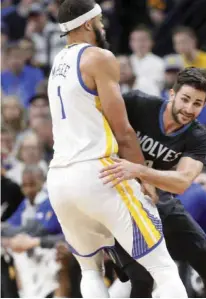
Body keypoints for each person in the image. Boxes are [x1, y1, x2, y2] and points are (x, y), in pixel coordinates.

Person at [46, 0, 187, 297]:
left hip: (59, 178)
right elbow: (122, 130)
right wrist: (144, 178)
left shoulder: (58, 63)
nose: (104, 25)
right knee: (163, 266)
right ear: (87, 23)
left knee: (90, 270)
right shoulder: (99, 57)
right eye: (99, 20)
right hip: (97, 171)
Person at [99, 68, 206, 297]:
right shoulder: (137, 103)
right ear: (172, 94)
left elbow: (181, 182)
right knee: (141, 279)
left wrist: (139, 171)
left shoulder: (199, 136)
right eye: (185, 99)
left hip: (157, 198)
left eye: (198, 104)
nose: (189, 109)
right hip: (117, 197)